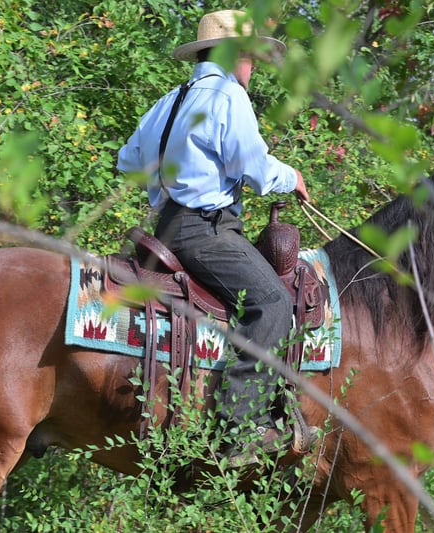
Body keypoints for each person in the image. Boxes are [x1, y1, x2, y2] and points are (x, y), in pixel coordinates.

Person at [116, 9, 309, 466]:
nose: (253, 65)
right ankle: (238, 429)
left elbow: (127, 161)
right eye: (250, 55)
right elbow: (255, 170)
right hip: (206, 232)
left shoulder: (169, 101)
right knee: (272, 303)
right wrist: (291, 177)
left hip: (164, 228)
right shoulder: (228, 95)